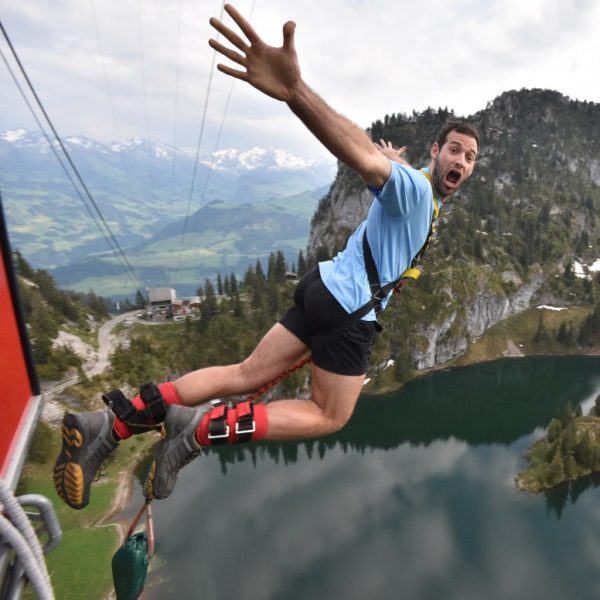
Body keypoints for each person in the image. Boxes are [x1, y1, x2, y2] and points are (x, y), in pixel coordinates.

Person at [53, 3, 479, 510]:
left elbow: (384, 163)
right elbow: (361, 155)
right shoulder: (413, 189)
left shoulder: (419, 191)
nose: (461, 161)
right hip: (348, 312)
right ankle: (202, 430)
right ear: (437, 151)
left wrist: (396, 159)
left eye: (470, 157)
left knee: (242, 374)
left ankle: (110, 424)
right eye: (454, 149)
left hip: (323, 288)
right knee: (329, 415)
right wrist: (295, 93)